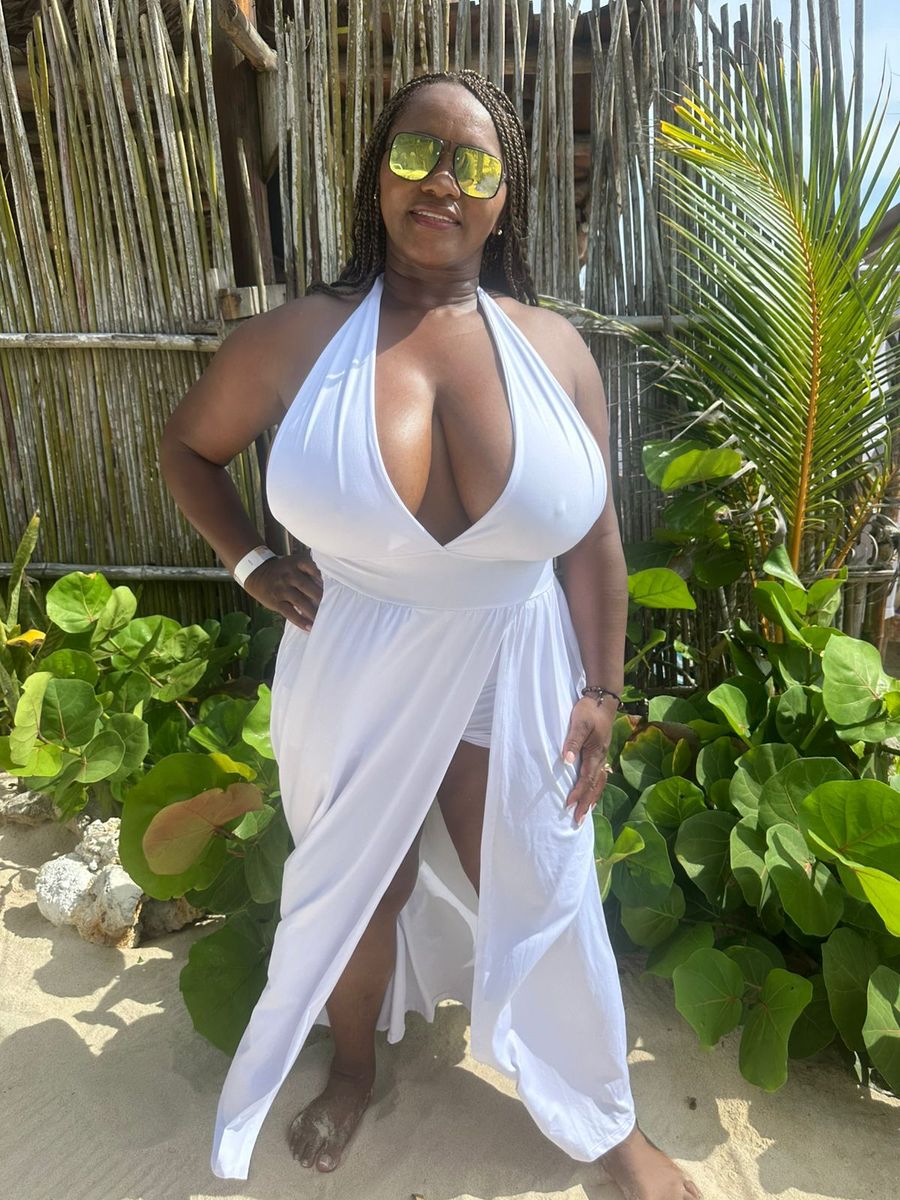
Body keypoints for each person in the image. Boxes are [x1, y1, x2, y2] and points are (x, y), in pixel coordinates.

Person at [159, 68, 701, 1200]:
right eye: (415, 153)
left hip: (516, 656)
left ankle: (607, 1123)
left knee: (542, 876)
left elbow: (596, 543)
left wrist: (602, 691)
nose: (442, 182)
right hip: (355, 660)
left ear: (506, 197)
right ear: (376, 176)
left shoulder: (555, 351)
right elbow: (188, 449)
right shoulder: (296, 340)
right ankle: (355, 1067)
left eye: (473, 164)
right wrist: (250, 562)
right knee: (363, 884)